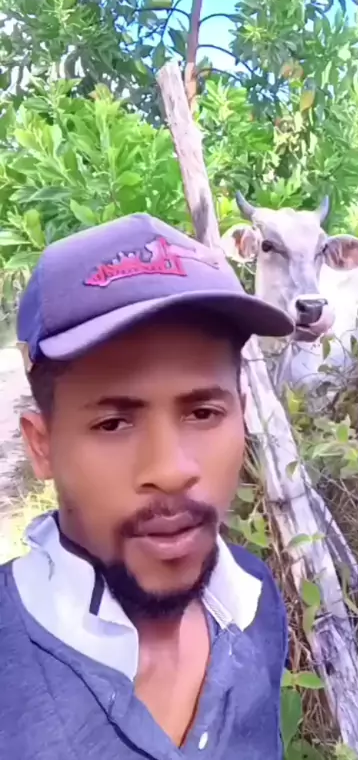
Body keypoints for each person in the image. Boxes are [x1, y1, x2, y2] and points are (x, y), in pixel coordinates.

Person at [0, 213, 294, 760]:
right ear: (42, 446)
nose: (172, 469)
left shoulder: (255, 603)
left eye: (203, 413)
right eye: (113, 423)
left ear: (242, 414)